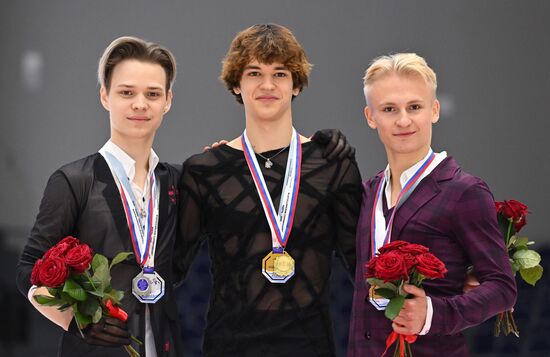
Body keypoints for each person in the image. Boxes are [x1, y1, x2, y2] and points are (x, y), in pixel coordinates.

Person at [175, 23, 362, 356]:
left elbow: (363, 265)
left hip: (311, 347)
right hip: (228, 347)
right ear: (236, 83)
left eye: (280, 74)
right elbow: (170, 267)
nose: (267, 85)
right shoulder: (205, 171)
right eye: (253, 73)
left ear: (296, 85)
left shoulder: (333, 164)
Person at [16, 36, 183, 357]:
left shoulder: (177, 182)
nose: (140, 103)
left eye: (152, 94)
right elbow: (28, 269)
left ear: (168, 101)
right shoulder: (74, 180)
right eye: (126, 92)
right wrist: (75, 320)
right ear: (105, 96)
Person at [347, 53, 517, 356]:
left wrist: (433, 314)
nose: (403, 120)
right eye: (389, 109)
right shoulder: (367, 194)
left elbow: (502, 288)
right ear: (370, 117)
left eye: (414, 107)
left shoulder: (464, 192)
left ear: (434, 110)